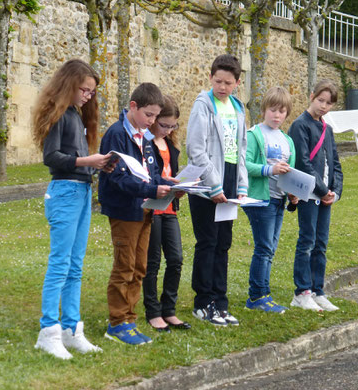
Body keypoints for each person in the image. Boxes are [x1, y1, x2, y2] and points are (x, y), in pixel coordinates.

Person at [32, 59, 112, 360]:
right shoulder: (59, 114)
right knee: (60, 264)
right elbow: (51, 157)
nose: (88, 96)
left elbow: (74, 158)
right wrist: (87, 161)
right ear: (69, 85)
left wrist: (97, 163)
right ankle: (48, 332)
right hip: (64, 192)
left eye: (91, 92)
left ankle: (71, 329)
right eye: (84, 90)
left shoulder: (76, 117)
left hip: (80, 191)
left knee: (75, 264)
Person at [98, 82, 174, 345]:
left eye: (155, 116)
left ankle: (130, 319)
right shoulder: (117, 134)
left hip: (145, 211)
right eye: (148, 115)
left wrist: (174, 185)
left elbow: (152, 174)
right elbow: (118, 178)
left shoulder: (145, 138)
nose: (152, 121)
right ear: (133, 106)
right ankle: (117, 323)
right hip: (124, 210)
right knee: (124, 266)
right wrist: (153, 188)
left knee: (140, 267)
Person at [186, 54, 248, 326]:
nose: (222, 87)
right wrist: (213, 185)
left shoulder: (237, 107)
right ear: (210, 78)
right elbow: (196, 150)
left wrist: (241, 185)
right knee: (208, 242)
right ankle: (203, 302)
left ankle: (220, 303)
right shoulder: (203, 105)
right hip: (207, 183)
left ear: (237, 83)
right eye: (218, 81)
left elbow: (241, 150)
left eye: (228, 82)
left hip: (230, 180)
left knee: (223, 243)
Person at [288, 79, 343, 312]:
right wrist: (322, 190)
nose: (323, 106)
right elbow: (303, 162)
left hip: (325, 196)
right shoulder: (300, 125)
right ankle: (302, 292)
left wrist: (335, 192)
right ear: (311, 96)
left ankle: (318, 290)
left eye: (328, 103)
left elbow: (336, 164)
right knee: (307, 241)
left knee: (321, 243)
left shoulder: (327, 130)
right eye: (320, 100)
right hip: (308, 194)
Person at [243, 86, 297, 314]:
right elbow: (245, 164)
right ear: (264, 109)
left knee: (270, 248)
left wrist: (294, 192)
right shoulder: (254, 134)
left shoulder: (287, 140)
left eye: (282, 111)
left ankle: (264, 294)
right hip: (259, 199)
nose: (277, 115)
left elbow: (291, 171)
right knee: (264, 247)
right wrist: (270, 169)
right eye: (273, 110)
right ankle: (257, 295)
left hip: (278, 200)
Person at [142, 94, 191, 332]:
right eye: (164, 125)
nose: (168, 130)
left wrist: (181, 187)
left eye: (173, 126)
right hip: (153, 207)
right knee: (152, 262)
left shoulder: (171, 144)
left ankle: (168, 309)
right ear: (153, 120)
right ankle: (152, 311)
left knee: (176, 259)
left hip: (170, 207)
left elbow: (173, 172)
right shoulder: (145, 142)